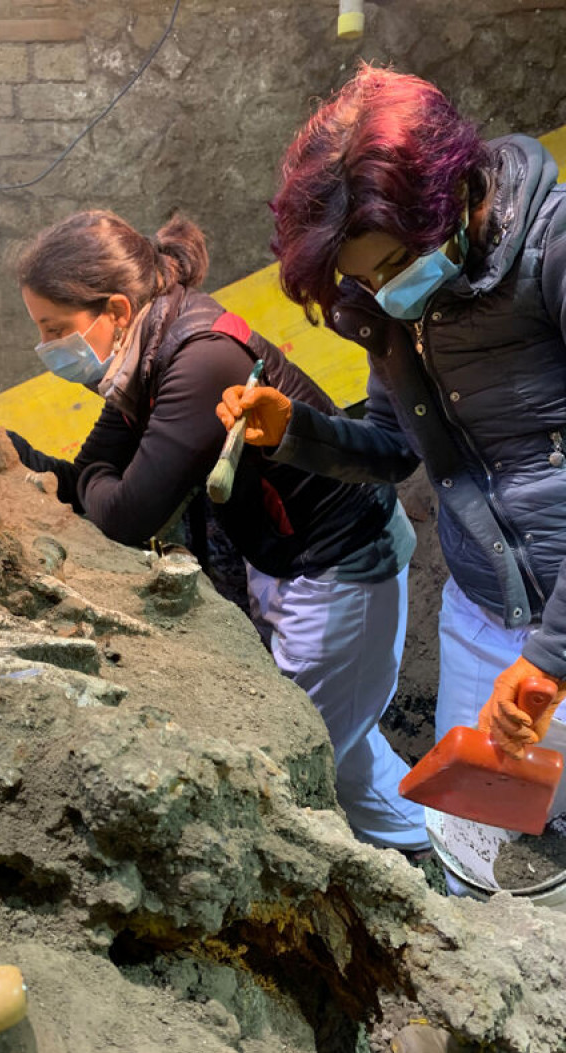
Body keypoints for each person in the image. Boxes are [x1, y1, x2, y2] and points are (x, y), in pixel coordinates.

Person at [0, 208, 429, 854]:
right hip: (280, 558)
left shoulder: (197, 361)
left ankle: (418, 869)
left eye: (56, 329)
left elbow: (123, 519)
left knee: (296, 762)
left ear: (112, 308)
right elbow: (87, 483)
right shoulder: (145, 360)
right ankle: (428, 847)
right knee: (342, 748)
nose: (50, 348)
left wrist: (104, 481)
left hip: (339, 570)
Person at [216, 64, 566, 770]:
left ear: (459, 189)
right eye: (363, 278)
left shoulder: (551, 252)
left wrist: (552, 656)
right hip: (485, 605)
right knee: (473, 836)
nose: (383, 291)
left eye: (399, 262)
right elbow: (394, 449)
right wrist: (296, 433)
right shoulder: (389, 307)